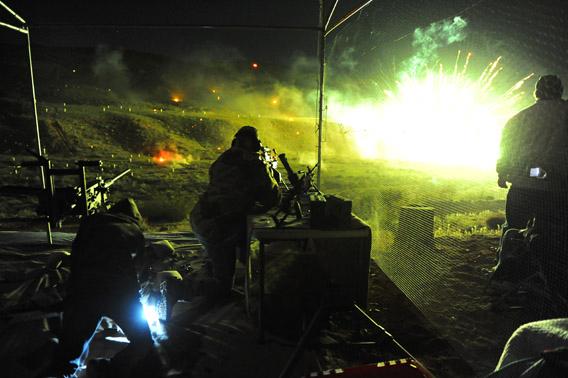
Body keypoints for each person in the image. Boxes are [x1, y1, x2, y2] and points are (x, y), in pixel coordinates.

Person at [46, 198, 158, 377]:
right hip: (119, 294)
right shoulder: (134, 232)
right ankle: (107, 370)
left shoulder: (89, 223)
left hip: (84, 293)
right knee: (143, 344)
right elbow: (138, 273)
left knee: (68, 354)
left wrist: (71, 299)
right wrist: (135, 303)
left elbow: (76, 260)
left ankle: (59, 373)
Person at [495, 75, 568, 296]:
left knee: (514, 229)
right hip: (558, 186)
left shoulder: (519, 118)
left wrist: (502, 172)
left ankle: (505, 277)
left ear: (536, 92)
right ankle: (548, 282)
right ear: (560, 91)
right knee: (552, 234)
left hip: (522, 184)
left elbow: (506, 149)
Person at [190, 126, 281, 300]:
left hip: (202, 217)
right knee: (223, 285)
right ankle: (180, 288)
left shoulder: (223, 159)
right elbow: (272, 196)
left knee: (224, 258)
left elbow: (231, 189)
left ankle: (212, 274)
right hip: (219, 226)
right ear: (255, 145)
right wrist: (272, 174)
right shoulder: (254, 163)